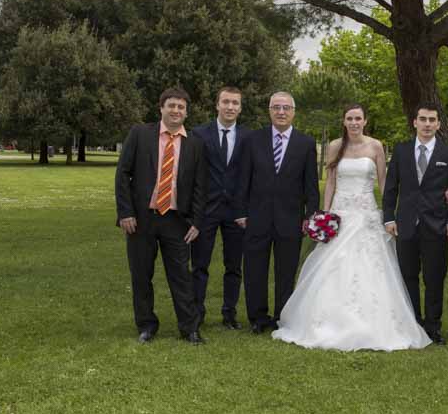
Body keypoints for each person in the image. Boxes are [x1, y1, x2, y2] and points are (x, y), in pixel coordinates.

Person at [274, 104, 431, 351]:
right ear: (344, 121)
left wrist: (389, 214)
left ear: (365, 121)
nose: (354, 122)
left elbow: (384, 183)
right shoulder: (335, 146)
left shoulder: (376, 146)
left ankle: (377, 324)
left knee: (372, 267)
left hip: (366, 215)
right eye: (350, 118)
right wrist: (325, 215)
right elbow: (331, 182)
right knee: (332, 266)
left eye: (358, 118)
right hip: (341, 215)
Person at [115, 87, 208, 344]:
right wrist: (125, 212)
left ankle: (189, 328)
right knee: (141, 274)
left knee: (181, 276)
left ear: (186, 112)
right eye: (171, 106)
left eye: (181, 107)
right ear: (161, 108)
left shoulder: (196, 144)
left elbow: (201, 186)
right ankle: (146, 325)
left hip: (177, 221)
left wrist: (197, 222)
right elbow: (122, 174)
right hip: (141, 219)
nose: (176, 111)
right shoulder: (140, 134)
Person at [234, 92, 320, 334]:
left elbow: (311, 186)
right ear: (269, 110)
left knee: (286, 272)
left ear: (293, 111)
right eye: (276, 107)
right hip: (256, 216)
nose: (281, 112)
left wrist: (310, 217)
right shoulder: (252, 140)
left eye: (286, 108)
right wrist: (240, 211)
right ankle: (258, 318)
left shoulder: (306, 144)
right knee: (254, 271)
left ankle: (284, 316)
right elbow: (243, 179)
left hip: (291, 219)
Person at [382, 102, 448, 344]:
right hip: (405, 224)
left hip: (436, 225)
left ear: (438, 124)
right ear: (415, 122)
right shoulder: (401, 151)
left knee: (434, 278)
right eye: (423, 119)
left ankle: (433, 327)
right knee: (408, 276)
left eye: (432, 120)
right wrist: (389, 217)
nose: (427, 124)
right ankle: (413, 323)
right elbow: (391, 188)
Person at [191, 86, 247, 329]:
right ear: (217, 105)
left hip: (236, 212)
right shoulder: (198, 134)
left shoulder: (248, 137)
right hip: (206, 209)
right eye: (226, 102)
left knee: (233, 266)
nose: (230, 107)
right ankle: (196, 313)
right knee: (199, 265)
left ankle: (229, 314)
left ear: (240, 108)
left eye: (235, 103)